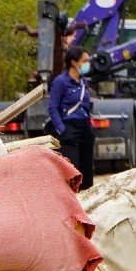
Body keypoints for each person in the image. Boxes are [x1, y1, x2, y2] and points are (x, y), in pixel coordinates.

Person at [48, 45, 96, 189]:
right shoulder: (60, 81)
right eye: (85, 60)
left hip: (85, 127)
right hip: (69, 127)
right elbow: (53, 107)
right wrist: (62, 130)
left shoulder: (83, 82)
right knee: (72, 170)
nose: (88, 64)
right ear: (74, 62)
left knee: (87, 170)